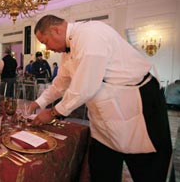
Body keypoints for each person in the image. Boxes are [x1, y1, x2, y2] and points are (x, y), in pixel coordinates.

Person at [29, 15, 172, 182]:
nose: (47, 47)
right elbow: (60, 84)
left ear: (56, 30)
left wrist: (53, 112)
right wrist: (37, 103)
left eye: (46, 41)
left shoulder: (90, 34)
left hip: (137, 105)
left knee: (148, 169)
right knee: (101, 168)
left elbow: (85, 86)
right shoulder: (67, 52)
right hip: (104, 119)